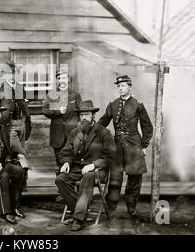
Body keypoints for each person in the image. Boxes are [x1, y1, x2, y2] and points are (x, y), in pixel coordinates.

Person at [98, 75, 153, 222]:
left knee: (134, 180)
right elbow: (103, 122)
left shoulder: (138, 104)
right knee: (115, 179)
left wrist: (144, 145)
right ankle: (110, 209)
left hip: (134, 146)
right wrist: (95, 133)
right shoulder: (113, 104)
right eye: (119, 86)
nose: (120, 88)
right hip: (117, 147)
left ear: (129, 86)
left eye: (123, 85)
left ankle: (131, 209)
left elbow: (147, 127)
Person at [55, 100, 115, 231]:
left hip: (97, 170)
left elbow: (110, 158)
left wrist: (93, 165)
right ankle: (79, 210)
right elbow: (66, 151)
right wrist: (66, 162)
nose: (84, 118)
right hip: (77, 168)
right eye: (81, 115)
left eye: (87, 115)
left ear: (93, 115)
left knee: (88, 177)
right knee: (60, 179)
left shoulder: (103, 133)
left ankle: (78, 218)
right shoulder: (75, 132)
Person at [0, 61, 32, 188]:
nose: (10, 75)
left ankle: (22, 181)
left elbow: (24, 105)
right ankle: (12, 180)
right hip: (7, 125)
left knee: (21, 150)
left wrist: (26, 122)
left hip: (21, 122)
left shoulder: (20, 87)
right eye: (7, 73)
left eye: (12, 72)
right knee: (13, 152)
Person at [42, 68, 82, 171]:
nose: (61, 80)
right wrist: (58, 111)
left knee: (73, 161)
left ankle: (72, 184)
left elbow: (81, 112)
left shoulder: (75, 95)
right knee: (60, 162)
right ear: (57, 80)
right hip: (57, 134)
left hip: (72, 134)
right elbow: (45, 110)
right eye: (59, 78)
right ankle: (62, 184)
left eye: (64, 77)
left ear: (68, 79)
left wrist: (78, 127)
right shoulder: (52, 94)